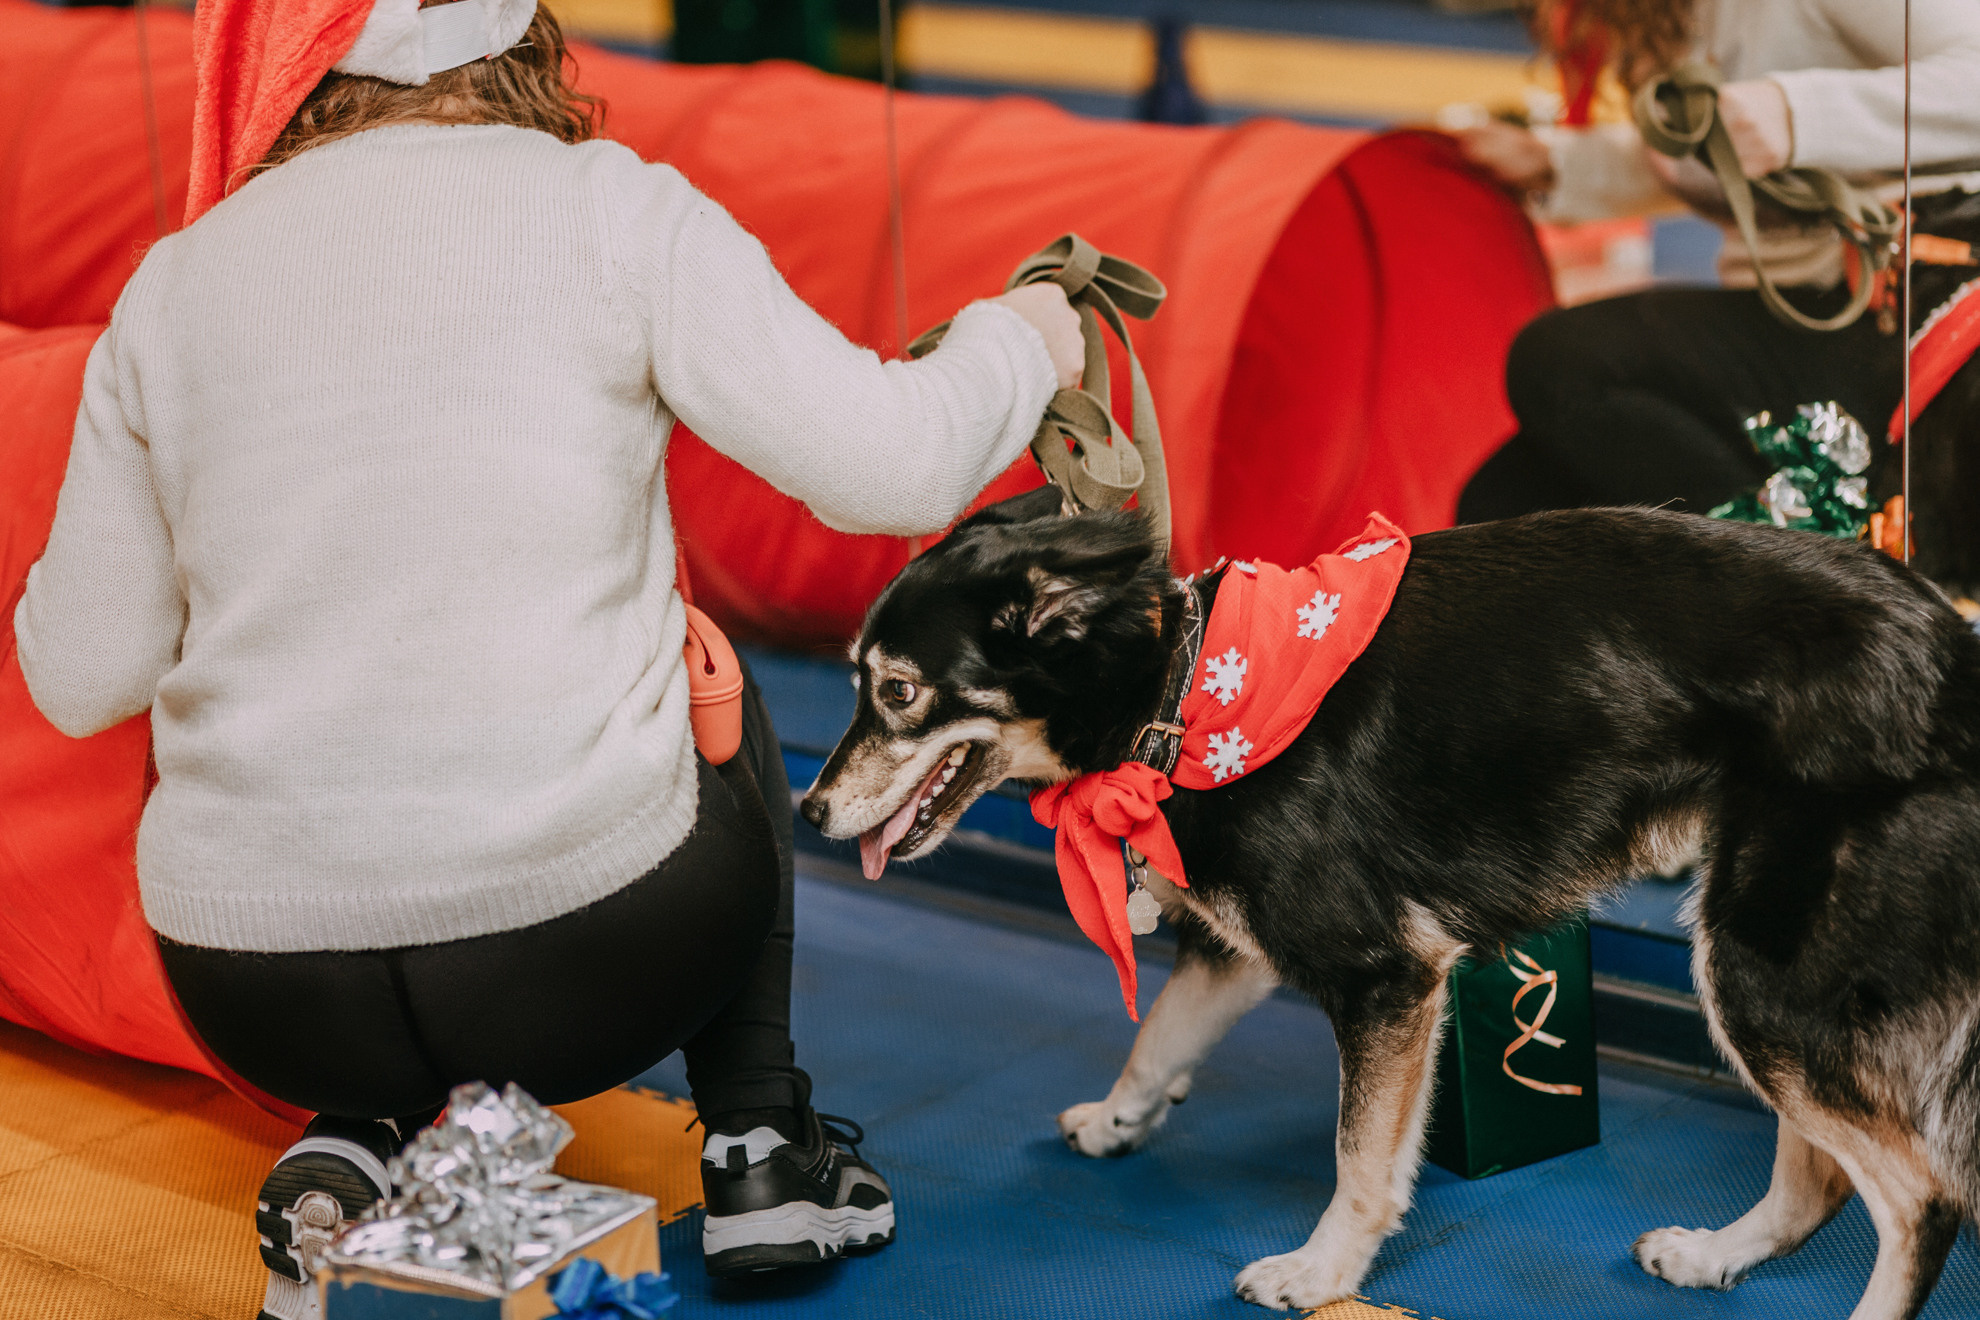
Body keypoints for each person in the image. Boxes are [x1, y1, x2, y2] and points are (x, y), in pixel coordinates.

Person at [9, 1, 1083, 1315]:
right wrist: (1025, 338)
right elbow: (895, 465)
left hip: (255, 993)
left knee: (325, 709)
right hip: (580, 974)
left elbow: (77, 678)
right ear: (527, 42)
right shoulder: (616, 211)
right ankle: (763, 1152)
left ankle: (359, 1126)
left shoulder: (177, 281)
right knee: (705, 671)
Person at [1453, 0, 1980, 522]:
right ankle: (1788, 553)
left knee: (1559, 361)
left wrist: (1797, 114)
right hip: (1800, 312)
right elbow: (1719, 149)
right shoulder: (1666, 15)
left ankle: (1810, 573)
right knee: (1507, 500)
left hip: (1911, 322)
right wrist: (1557, 163)